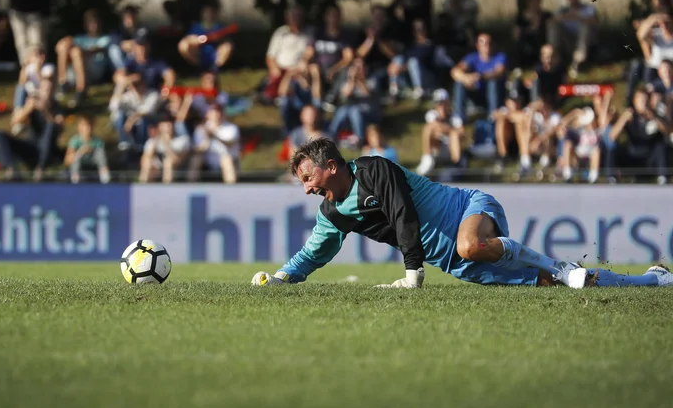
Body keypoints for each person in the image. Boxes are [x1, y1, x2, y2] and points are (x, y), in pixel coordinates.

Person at [251, 137, 673, 288]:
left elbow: (403, 216)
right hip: (461, 266)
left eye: (309, 177)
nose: (307, 189)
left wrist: (412, 274)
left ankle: (547, 261)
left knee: (470, 245)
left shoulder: (374, 169)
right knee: (559, 286)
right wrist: (283, 276)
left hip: (469, 210)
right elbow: (315, 252)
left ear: (331, 166)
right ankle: (652, 281)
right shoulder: (332, 212)